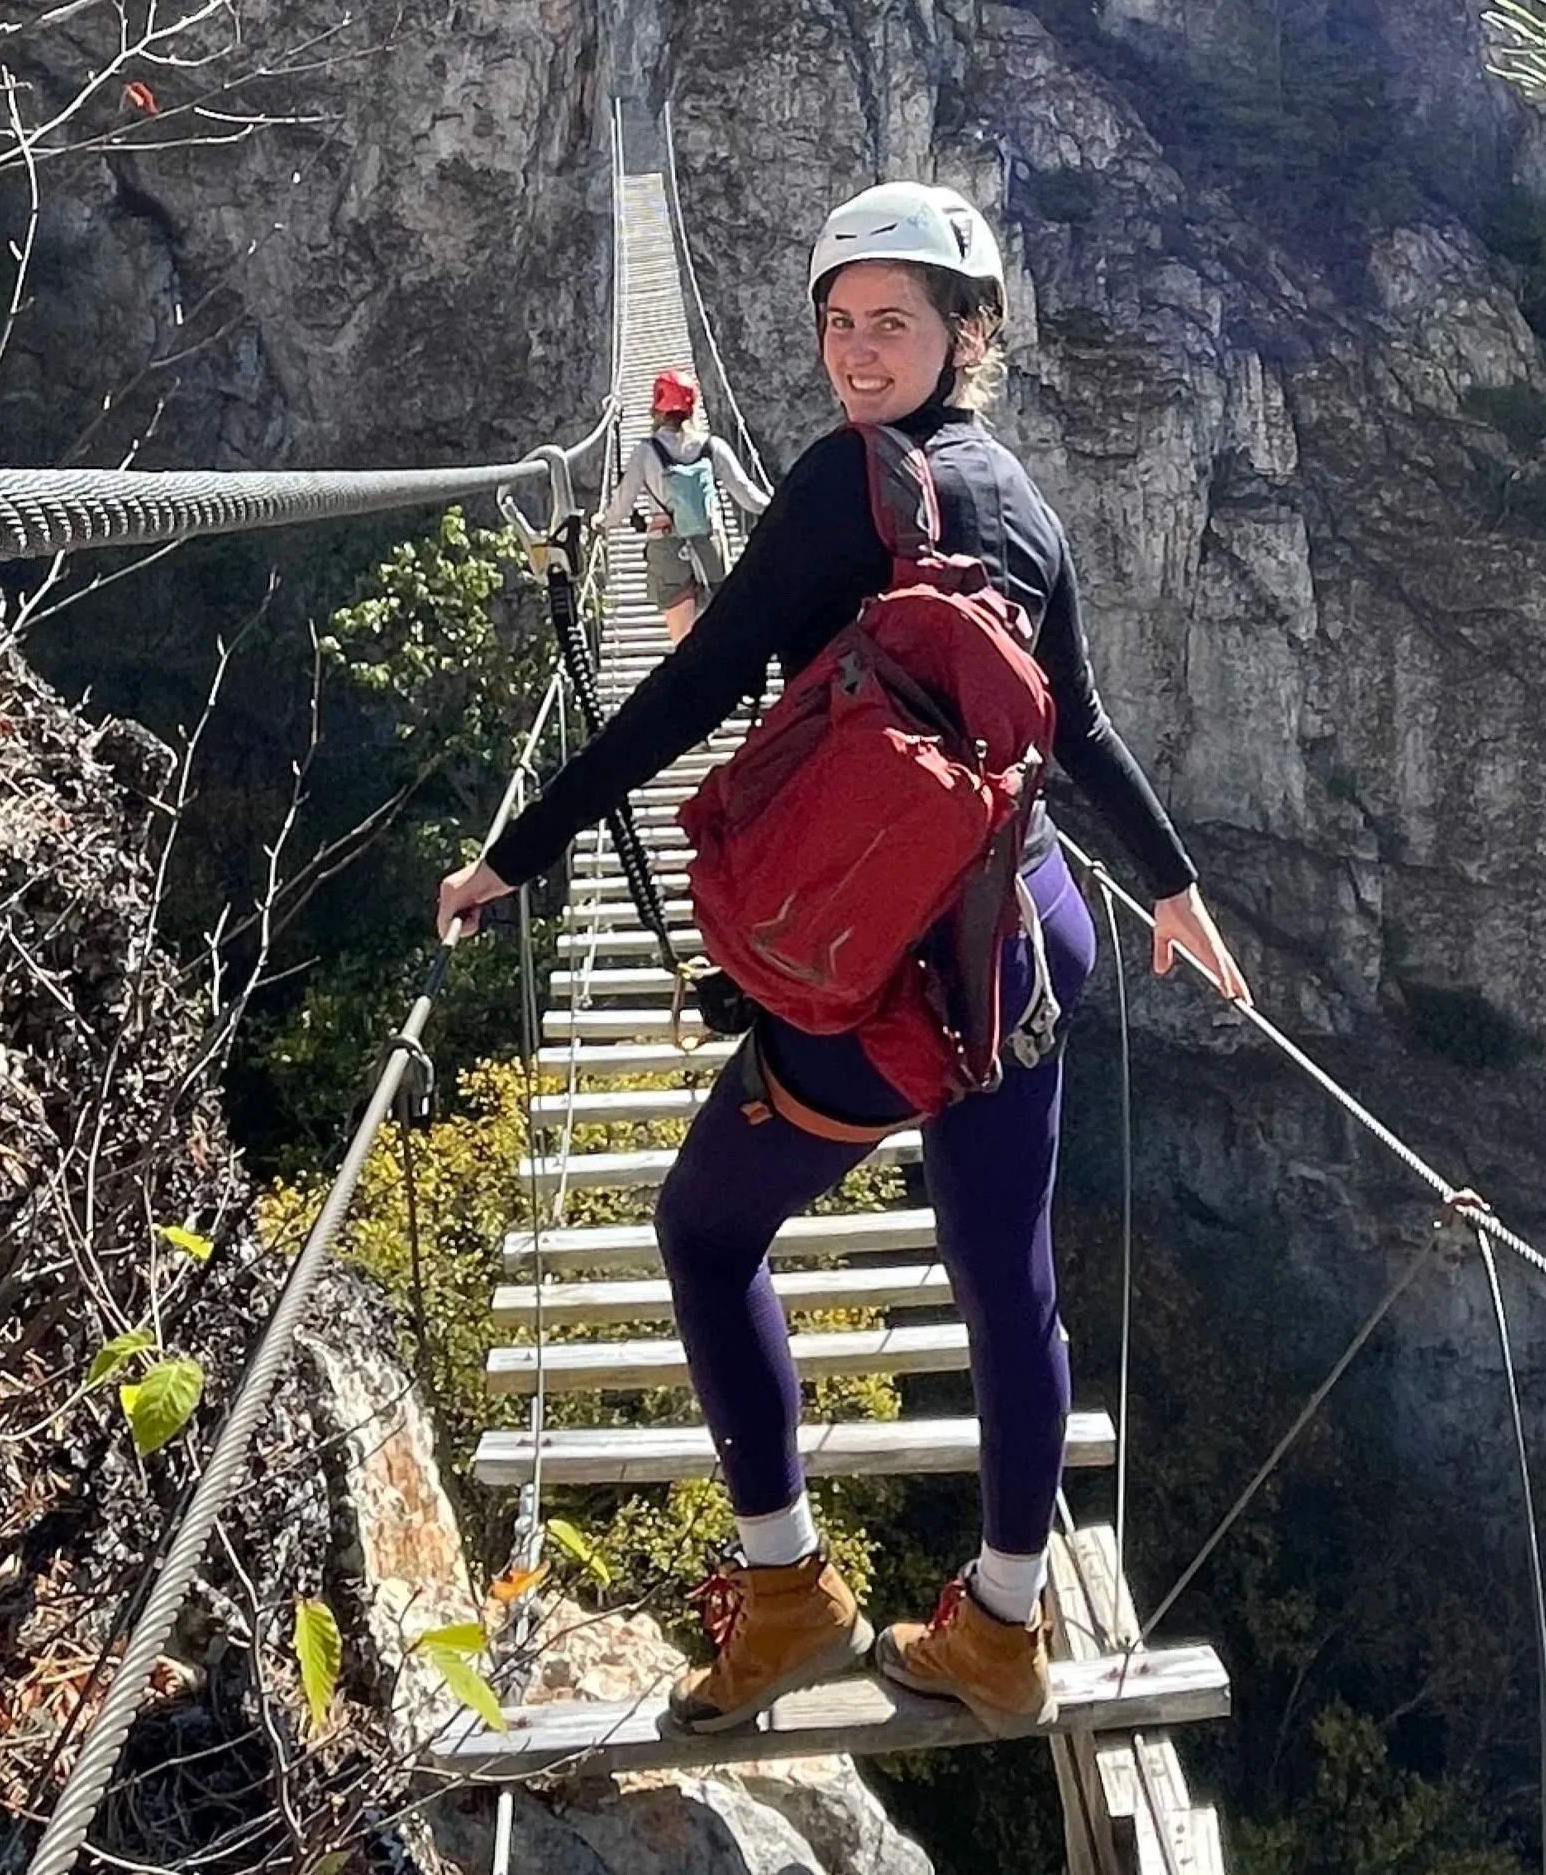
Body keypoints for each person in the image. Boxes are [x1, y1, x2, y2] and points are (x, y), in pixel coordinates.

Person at [436, 180, 1249, 1740]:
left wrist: (513, 857)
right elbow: (1076, 727)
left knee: (701, 1230)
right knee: (1007, 1288)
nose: (857, 351)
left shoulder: (839, 488)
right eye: (838, 322)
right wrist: (1172, 884)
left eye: (893, 322)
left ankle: (791, 1594)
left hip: (892, 985)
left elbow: (689, 696)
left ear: (964, 334)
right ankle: (1001, 1633)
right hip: (1029, 942)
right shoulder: (1023, 499)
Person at [602, 370, 769, 645]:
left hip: (668, 549)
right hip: (709, 543)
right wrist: (781, 504)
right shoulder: (713, 446)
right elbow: (747, 496)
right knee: (719, 635)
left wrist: (600, 523)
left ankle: (693, 684)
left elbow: (621, 507)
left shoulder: (645, 452)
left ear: (656, 405)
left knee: (684, 645)